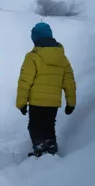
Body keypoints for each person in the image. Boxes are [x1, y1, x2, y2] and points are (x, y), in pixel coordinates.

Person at [16, 22, 76, 157]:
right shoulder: (63, 58)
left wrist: (21, 103)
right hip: (53, 103)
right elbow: (69, 82)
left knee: (35, 126)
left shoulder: (32, 56)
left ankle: (39, 148)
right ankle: (51, 147)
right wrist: (71, 103)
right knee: (49, 126)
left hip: (36, 102)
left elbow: (25, 81)